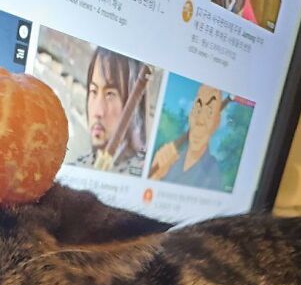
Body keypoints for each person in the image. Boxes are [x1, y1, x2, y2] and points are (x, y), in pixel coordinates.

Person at [76, 46, 148, 174]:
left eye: (110, 94)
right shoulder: (78, 167)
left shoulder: (143, 171)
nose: (98, 112)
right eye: (93, 91)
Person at [149, 83, 225, 191]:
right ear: (190, 115)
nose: (200, 120)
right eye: (198, 109)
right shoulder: (171, 159)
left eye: (209, 112)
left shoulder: (212, 174)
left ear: (216, 122)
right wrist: (155, 176)